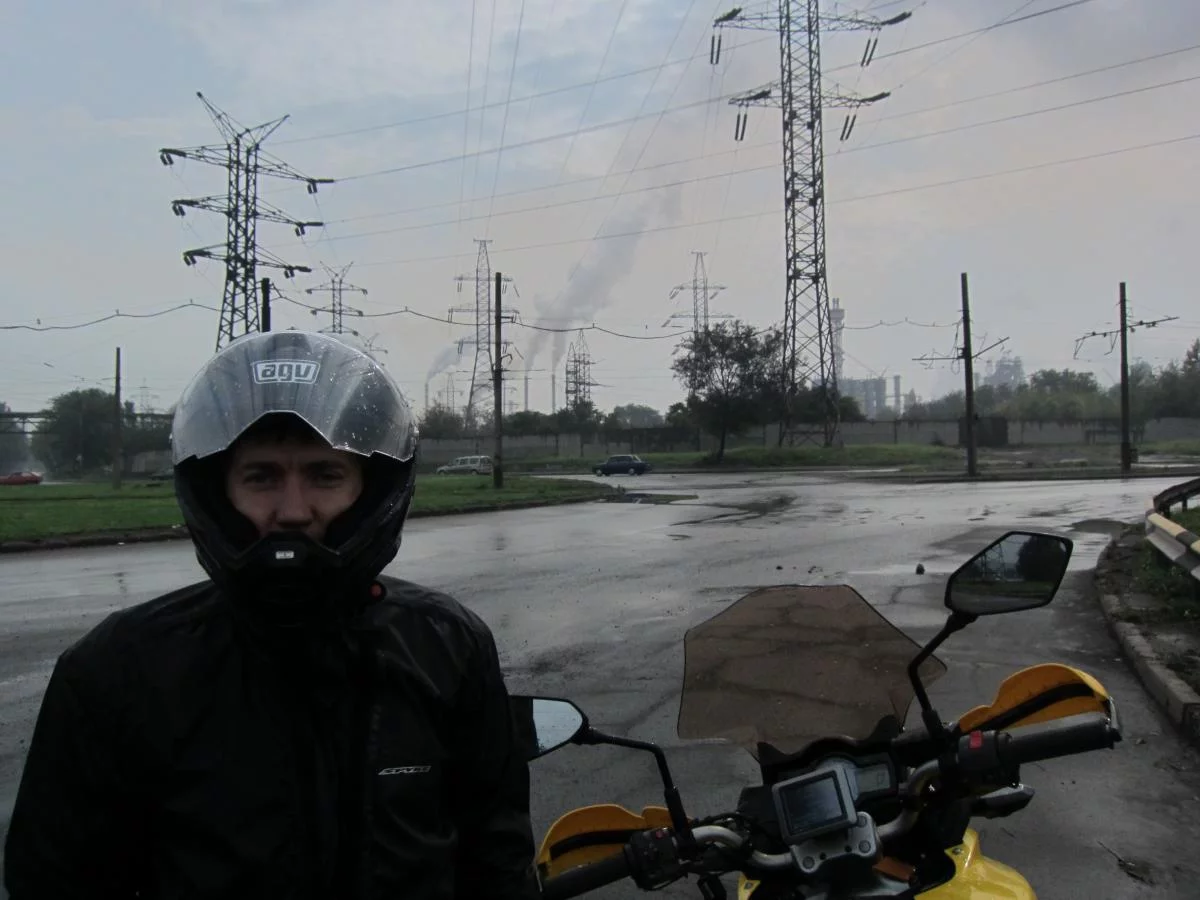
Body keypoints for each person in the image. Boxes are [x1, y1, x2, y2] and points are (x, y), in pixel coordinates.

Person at [4, 331, 539, 900]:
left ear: (370, 490)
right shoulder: (116, 671)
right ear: (218, 492)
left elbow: (497, 862)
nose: (293, 511)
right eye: (261, 477)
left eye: (325, 475)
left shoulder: (448, 646)